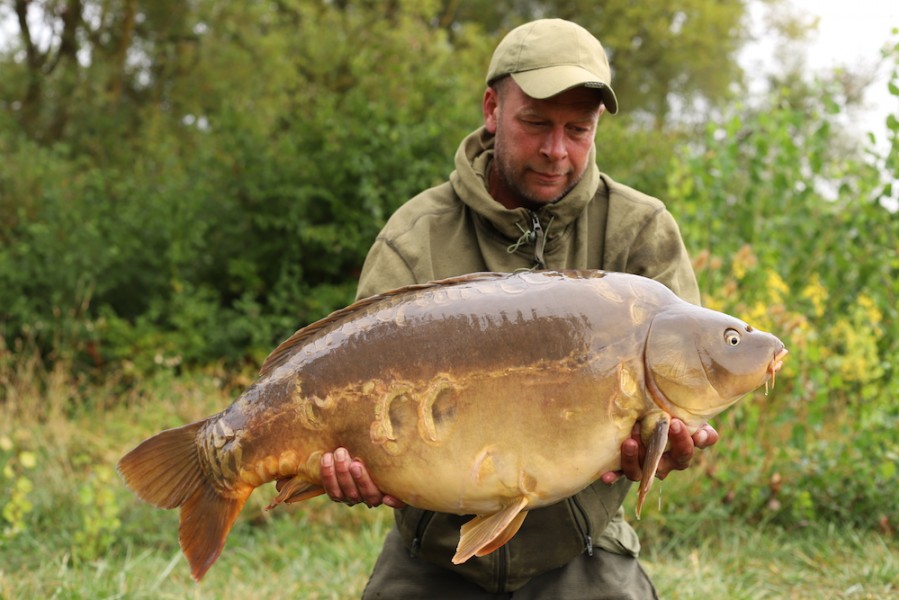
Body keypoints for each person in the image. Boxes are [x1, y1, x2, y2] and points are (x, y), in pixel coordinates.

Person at [317, 18, 718, 598]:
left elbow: (682, 400)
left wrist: (671, 446)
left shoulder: (639, 230)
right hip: (433, 552)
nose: (556, 151)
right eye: (535, 124)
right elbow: (350, 385)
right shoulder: (416, 237)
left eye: (578, 130)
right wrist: (350, 464)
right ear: (492, 109)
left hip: (579, 546)